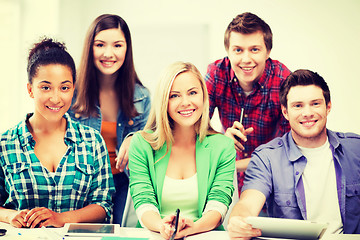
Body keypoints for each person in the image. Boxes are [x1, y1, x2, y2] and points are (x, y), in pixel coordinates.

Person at [227, 69, 360, 239]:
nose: (307, 113)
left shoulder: (356, 148)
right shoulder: (266, 158)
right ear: (285, 112)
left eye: (315, 104)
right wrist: (238, 221)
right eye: (298, 105)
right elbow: (247, 204)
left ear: (328, 107)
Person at [0, 38, 115, 228]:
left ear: (73, 89)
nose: (55, 98)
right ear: (30, 90)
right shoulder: (5, 143)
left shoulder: (92, 141)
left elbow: (104, 205)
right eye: (45, 87)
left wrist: (61, 218)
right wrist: (10, 216)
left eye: (64, 88)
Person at [128, 62, 236, 239]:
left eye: (192, 93)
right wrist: (161, 226)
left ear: (203, 96)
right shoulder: (141, 144)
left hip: (204, 234)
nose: (186, 102)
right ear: (164, 101)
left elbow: (219, 203)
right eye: (174, 95)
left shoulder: (223, 146)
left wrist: (192, 228)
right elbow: (143, 200)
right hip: (155, 234)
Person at [68, 14, 151, 224]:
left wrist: (137, 137)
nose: (108, 53)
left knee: (124, 232)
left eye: (117, 45)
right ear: (90, 48)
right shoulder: (71, 93)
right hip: (84, 185)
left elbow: (154, 142)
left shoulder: (141, 97)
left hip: (125, 182)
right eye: (100, 45)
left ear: (127, 49)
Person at [205, 12, 291, 192]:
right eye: (238, 50)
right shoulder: (216, 73)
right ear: (228, 51)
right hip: (227, 180)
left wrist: (230, 165)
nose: (246, 59)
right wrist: (220, 141)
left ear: (268, 52)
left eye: (254, 49)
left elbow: (288, 147)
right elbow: (194, 126)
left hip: (272, 176)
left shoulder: (283, 80)